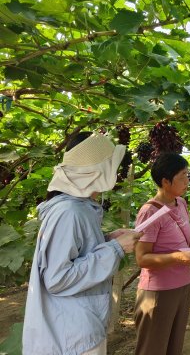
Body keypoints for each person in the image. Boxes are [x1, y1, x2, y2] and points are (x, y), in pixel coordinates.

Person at [23, 132, 142, 355]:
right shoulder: (70, 211)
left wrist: (108, 240)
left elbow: (76, 254)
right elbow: (58, 278)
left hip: (77, 329)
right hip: (72, 338)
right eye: (111, 165)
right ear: (98, 170)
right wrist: (115, 249)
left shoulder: (78, 207)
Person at [134, 152, 190, 355]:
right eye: (182, 176)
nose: (187, 181)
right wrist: (177, 257)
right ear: (166, 181)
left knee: (174, 346)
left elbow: (178, 239)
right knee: (153, 348)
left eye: (187, 175)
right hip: (158, 292)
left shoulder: (180, 203)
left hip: (182, 286)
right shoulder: (149, 212)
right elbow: (142, 258)